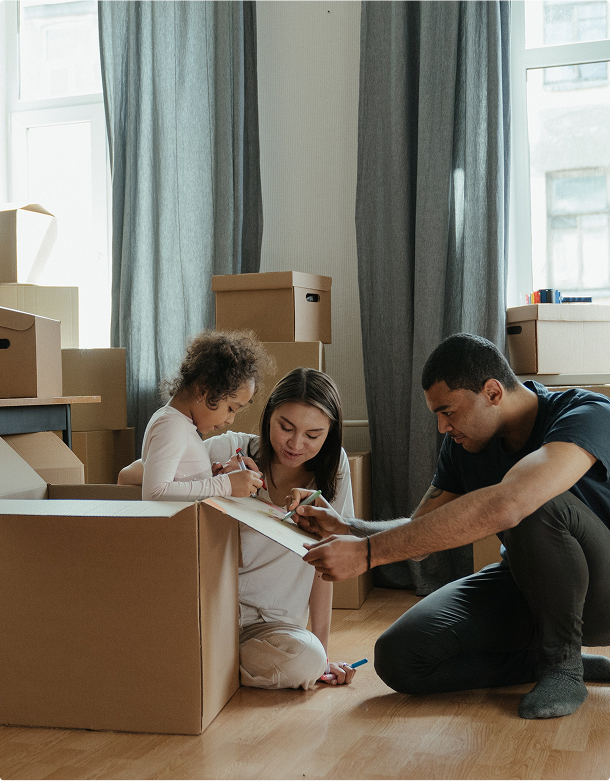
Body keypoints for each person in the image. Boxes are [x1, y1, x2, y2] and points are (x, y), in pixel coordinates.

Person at [291, 333, 610, 719]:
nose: (442, 427)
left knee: (535, 503)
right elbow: (421, 532)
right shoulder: (463, 446)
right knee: (400, 657)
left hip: (602, 593)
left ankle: (563, 666)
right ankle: (542, 661)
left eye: (449, 412)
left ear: (492, 392)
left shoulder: (586, 413)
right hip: (529, 585)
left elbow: (511, 503)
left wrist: (367, 554)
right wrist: (349, 528)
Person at [120, 367, 358, 691]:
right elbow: (129, 476)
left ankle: (204, 666)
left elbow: (324, 564)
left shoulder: (335, 471)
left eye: (313, 435)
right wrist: (215, 480)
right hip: (211, 613)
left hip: (272, 629)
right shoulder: (231, 449)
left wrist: (324, 654)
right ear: (269, 415)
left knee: (309, 659)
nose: (295, 443)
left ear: (330, 434)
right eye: (285, 427)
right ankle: (207, 664)